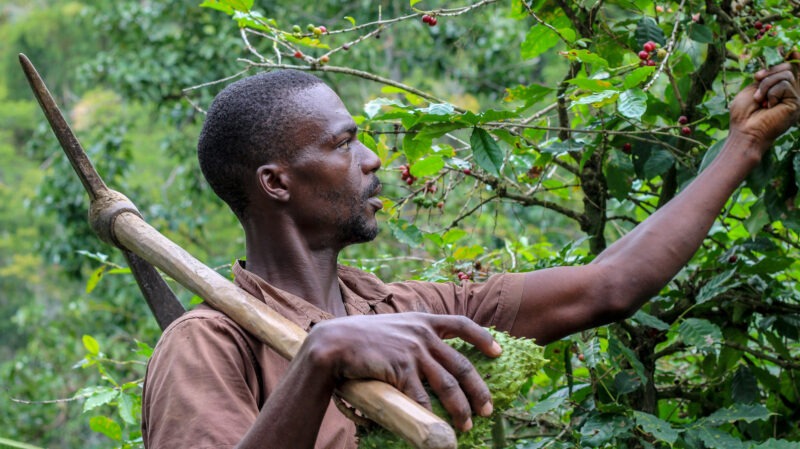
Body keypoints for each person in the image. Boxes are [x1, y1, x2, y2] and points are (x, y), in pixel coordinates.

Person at [141, 53, 800, 448]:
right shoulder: (207, 344)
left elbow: (611, 283)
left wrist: (744, 142)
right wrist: (320, 356)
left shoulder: (404, 311)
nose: (372, 160)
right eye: (343, 144)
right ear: (276, 182)